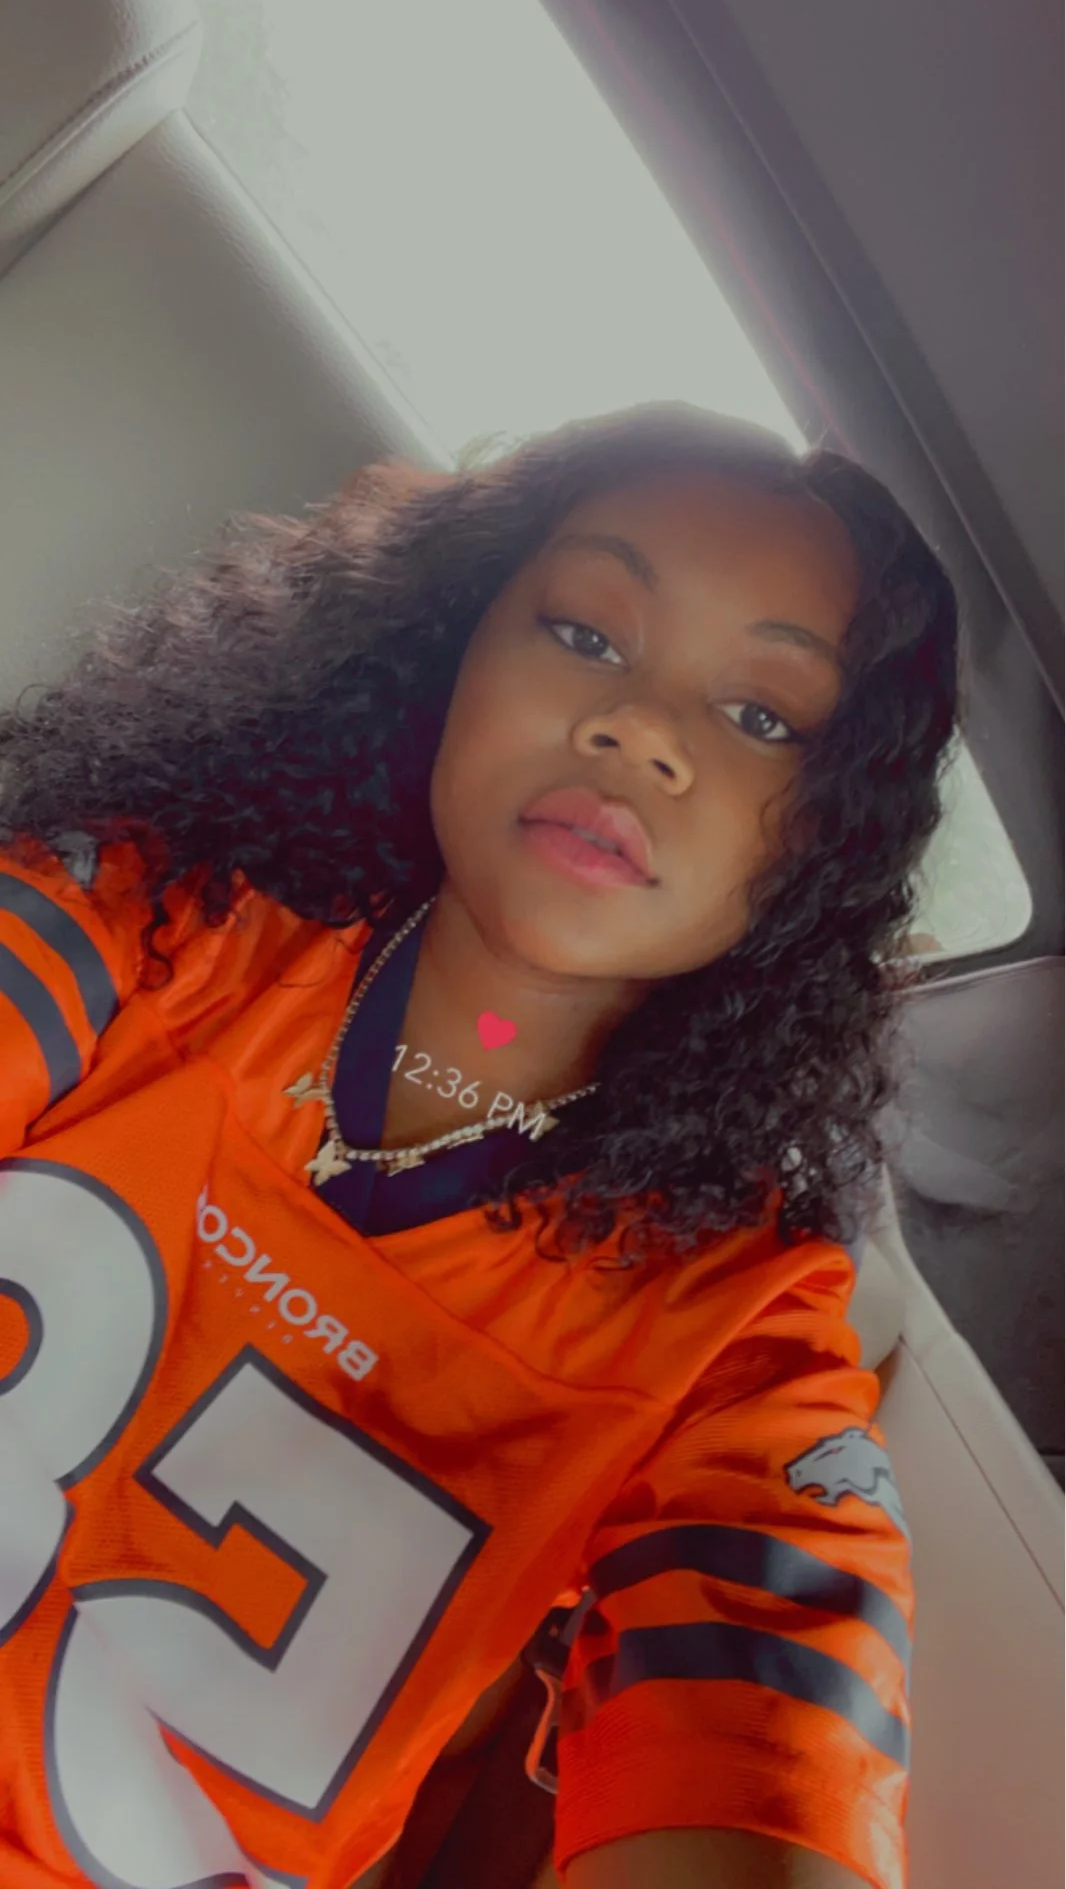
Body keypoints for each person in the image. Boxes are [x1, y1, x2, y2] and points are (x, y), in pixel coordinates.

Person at [0, 402, 959, 1889]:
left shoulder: (734, 1346)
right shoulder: (133, 921)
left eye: (763, 717)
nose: (639, 728)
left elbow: (765, 1781)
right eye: (583, 632)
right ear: (452, 651)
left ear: (823, 846)